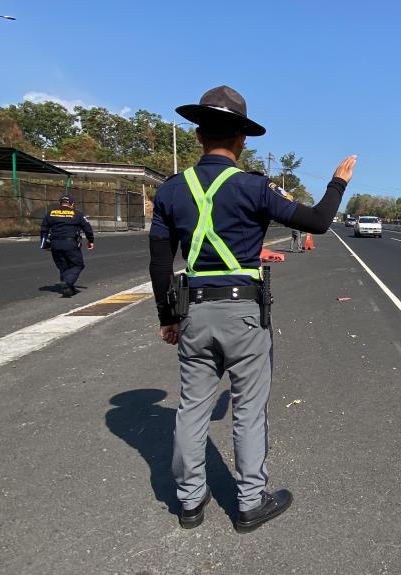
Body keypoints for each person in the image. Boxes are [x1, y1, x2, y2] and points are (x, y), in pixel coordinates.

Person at [148, 85, 356, 532]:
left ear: (199, 134)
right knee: (247, 409)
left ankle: (189, 502)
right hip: (243, 314)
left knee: (191, 407)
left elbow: (160, 261)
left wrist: (167, 317)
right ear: (242, 139)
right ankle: (248, 502)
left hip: (194, 312)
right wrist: (338, 182)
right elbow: (318, 222)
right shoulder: (254, 188)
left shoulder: (170, 191)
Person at [40, 194, 94, 297]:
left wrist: (44, 244)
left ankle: (68, 289)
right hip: (70, 244)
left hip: (55, 244)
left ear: (60, 204)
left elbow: (44, 229)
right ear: (72, 204)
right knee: (77, 265)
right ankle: (67, 283)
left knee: (63, 266)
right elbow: (87, 228)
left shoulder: (51, 213)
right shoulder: (77, 214)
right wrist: (90, 240)